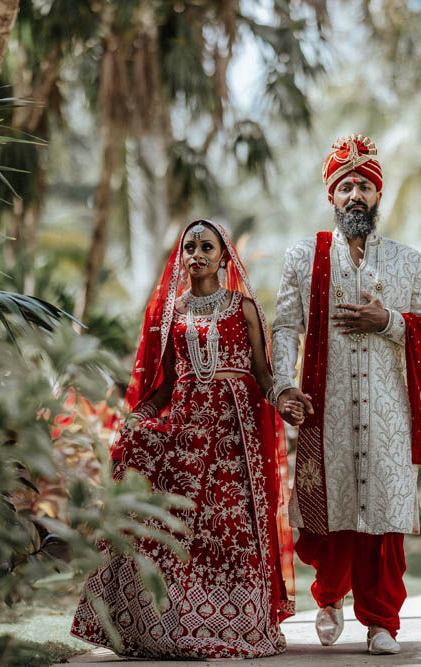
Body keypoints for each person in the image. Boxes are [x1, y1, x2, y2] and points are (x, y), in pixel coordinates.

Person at [71, 219, 298, 659]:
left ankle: (241, 623)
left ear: (224, 257)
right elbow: (165, 386)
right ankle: (168, 619)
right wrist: (140, 416)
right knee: (182, 530)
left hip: (236, 440)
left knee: (231, 530)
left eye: (206, 246)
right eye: (189, 247)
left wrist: (282, 400)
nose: (196, 254)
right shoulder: (172, 314)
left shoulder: (244, 307)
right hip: (187, 443)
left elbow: (263, 374)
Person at [270, 134, 421, 655]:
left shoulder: (408, 261)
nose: (354, 195)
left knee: (384, 520)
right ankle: (328, 597)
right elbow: (284, 327)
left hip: (389, 413)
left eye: (364, 186)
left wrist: (388, 320)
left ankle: (381, 621)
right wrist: (283, 384)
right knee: (330, 517)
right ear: (331, 196)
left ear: (378, 196)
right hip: (327, 412)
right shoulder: (305, 257)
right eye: (344, 185)